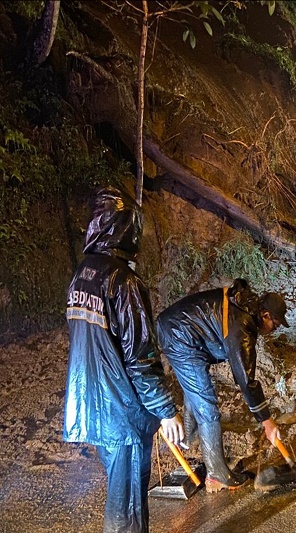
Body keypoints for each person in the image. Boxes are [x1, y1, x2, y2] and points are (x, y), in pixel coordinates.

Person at [63, 187, 184, 533]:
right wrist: (165, 410)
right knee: (128, 504)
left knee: (120, 490)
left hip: (92, 405)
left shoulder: (80, 275)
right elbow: (139, 356)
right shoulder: (122, 280)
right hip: (122, 411)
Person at [156, 279, 289, 492]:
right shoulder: (242, 324)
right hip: (180, 336)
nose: (274, 329)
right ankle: (217, 474)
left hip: (177, 330)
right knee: (207, 407)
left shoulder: (243, 308)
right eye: (275, 323)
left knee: (196, 390)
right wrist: (266, 421)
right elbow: (246, 380)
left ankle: (188, 440)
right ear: (264, 315)